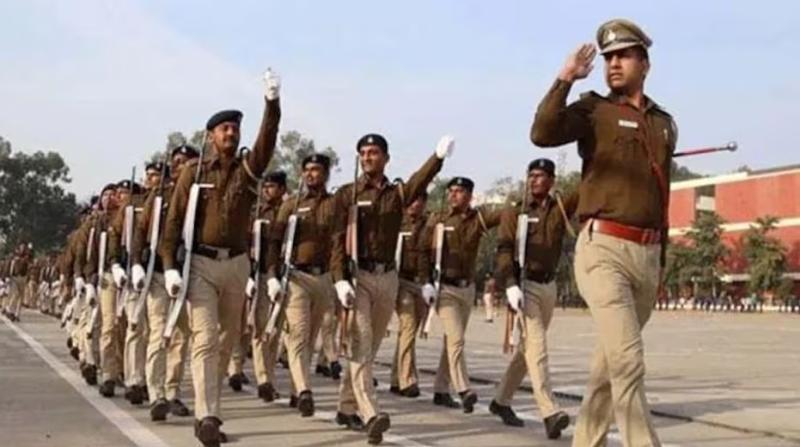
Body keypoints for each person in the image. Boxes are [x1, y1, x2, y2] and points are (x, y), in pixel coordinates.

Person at [531, 18, 676, 447]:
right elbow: (542, 133)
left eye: (623, 56)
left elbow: (662, 196)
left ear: (644, 64)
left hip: (646, 255)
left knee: (608, 368)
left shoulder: (664, 123)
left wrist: (661, 260)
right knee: (628, 361)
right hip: (603, 250)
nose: (613, 63)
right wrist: (565, 79)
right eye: (609, 57)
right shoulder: (594, 110)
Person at [159, 69, 281, 447]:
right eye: (224, 129)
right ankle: (208, 416)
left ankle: (207, 414)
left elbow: (267, 140)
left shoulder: (248, 170)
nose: (231, 133)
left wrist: (272, 104)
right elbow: (174, 221)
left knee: (228, 343)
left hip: (238, 265)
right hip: (201, 264)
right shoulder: (193, 173)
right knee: (205, 340)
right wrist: (169, 267)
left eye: (235, 129)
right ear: (211, 135)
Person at [331, 133, 453, 444]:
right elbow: (336, 239)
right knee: (361, 342)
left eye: (373, 152)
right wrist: (339, 278)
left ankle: (345, 407)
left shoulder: (397, 193)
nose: (367, 157)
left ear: (386, 158)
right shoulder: (347, 194)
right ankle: (370, 413)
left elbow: (420, 181)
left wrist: (437, 158)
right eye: (363, 153)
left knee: (369, 348)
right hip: (358, 276)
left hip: (387, 277)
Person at [490, 158, 576, 440]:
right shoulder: (516, 209)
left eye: (541, 176)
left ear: (552, 180)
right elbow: (504, 247)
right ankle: (550, 412)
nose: (534, 180)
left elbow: (586, 189)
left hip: (549, 285)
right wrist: (510, 284)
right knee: (537, 348)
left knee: (528, 349)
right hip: (524, 285)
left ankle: (501, 399)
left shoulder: (559, 206)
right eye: (531, 175)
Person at [419, 177, 502, 413]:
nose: (453, 195)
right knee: (456, 340)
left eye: (459, 191)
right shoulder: (438, 220)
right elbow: (423, 251)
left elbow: (502, 215)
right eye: (451, 191)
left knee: (451, 342)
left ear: (469, 196)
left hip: (467, 289)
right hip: (445, 288)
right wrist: (426, 282)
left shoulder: (478, 219)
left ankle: (440, 389)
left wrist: (518, 205)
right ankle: (464, 389)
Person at [265, 154, 336, 417]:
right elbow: (274, 242)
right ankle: (305, 391)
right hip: (296, 277)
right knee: (297, 335)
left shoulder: (335, 204)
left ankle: (297, 390)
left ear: (326, 174)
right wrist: (272, 275)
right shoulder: (291, 205)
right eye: (306, 170)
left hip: (324, 278)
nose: (310, 174)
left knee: (310, 338)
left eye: (316, 170)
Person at [131, 150, 197, 421]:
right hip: (159, 273)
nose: (182, 167)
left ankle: (172, 392)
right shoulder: (160, 196)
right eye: (178, 163)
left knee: (181, 337)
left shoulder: (201, 194)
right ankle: (156, 393)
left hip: (191, 275)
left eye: (188, 163)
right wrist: (136, 263)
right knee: (158, 332)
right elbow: (141, 231)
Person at [388, 192, 428, 398]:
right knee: (409, 326)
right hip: (400, 280)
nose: (415, 204)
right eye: (412, 200)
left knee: (407, 332)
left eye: (419, 200)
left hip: (421, 284)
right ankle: (407, 379)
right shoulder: (397, 222)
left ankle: (396, 378)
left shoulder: (429, 224)